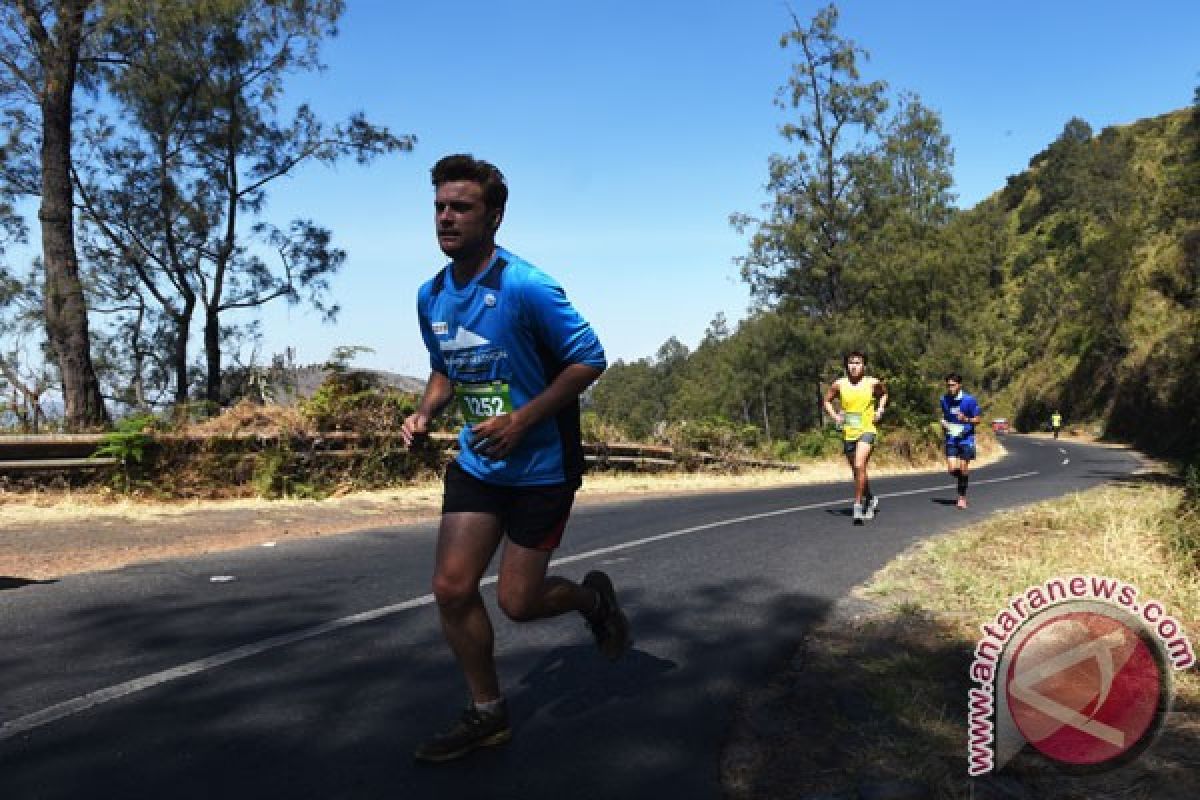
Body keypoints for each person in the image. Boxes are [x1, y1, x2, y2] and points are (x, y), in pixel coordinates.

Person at [401, 154, 630, 763]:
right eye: (439, 207)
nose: (446, 218)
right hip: (479, 463)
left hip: (542, 468)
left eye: (461, 208)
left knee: (518, 604)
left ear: (494, 215)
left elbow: (591, 358)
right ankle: (487, 713)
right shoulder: (432, 296)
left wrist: (524, 419)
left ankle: (591, 600)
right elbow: (446, 367)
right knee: (452, 589)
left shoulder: (527, 286)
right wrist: (426, 413)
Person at [823, 351, 888, 524]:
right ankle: (870, 499)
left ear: (864, 365)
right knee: (858, 471)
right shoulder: (839, 384)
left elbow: (883, 394)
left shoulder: (872, 383)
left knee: (860, 464)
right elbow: (827, 401)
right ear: (846, 365)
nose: (854, 366)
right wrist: (836, 416)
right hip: (849, 431)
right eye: (851, 362)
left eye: (858, 362)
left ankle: (857, 506)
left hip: (867, 429)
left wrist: (880, 410)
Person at [940, 373, 982, 509]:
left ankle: (961, 497)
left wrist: (966, 420)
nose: (950, 388)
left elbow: (978, 419)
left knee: (963, 466)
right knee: (952, 470)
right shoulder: (944, 399)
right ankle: (963, 478)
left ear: (959, 385)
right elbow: (946, 416)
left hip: (966, 438)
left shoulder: (969, 400)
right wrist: (944, 423)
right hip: (951, 437)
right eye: (948, 386)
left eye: (952, 385)